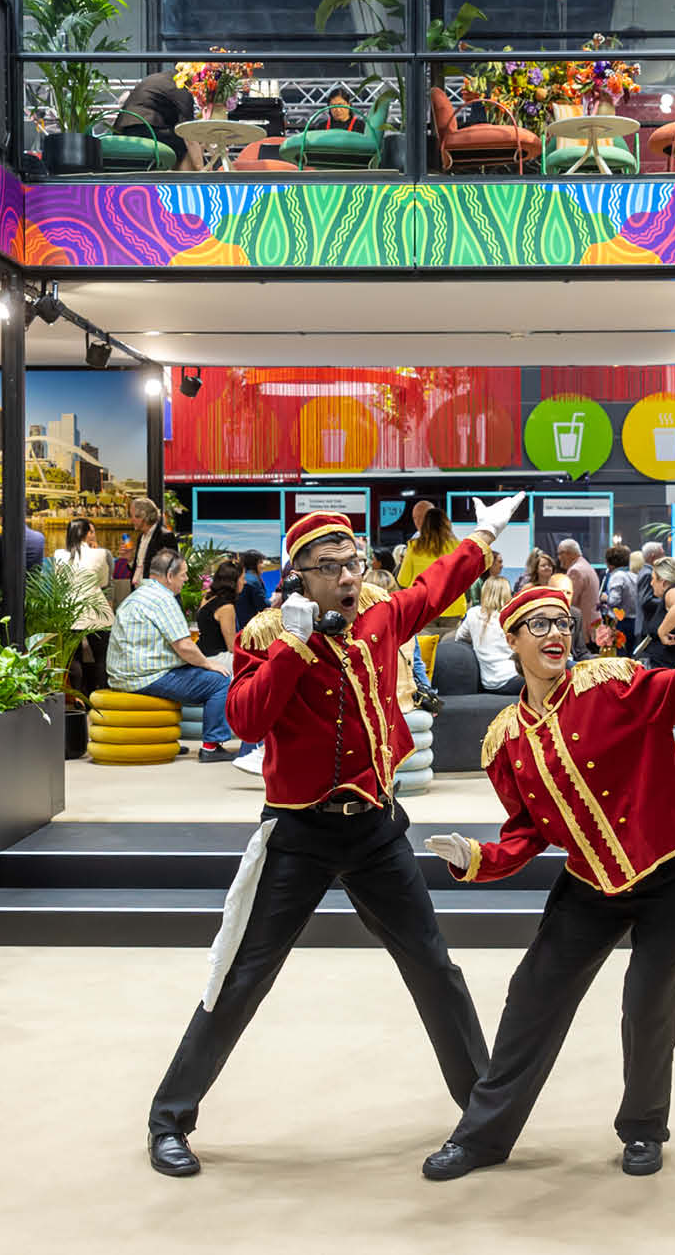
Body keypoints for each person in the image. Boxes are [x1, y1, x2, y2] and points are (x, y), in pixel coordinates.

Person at [145, 495, 526, 1180]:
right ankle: (168, 1119)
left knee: (435, 969)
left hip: (376, 829)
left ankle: (482, 1116)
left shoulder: (381, 615)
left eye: (352, 562)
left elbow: (435, 583)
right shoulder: (266, 636)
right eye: (331, 567)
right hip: (299, 833)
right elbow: (247, 720)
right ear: (302, 576)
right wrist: (293, 644)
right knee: (242, 977)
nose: (349, 576)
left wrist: (485, 532)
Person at [417, 582, 675, 1181]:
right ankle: (481, 1137)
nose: (556, 633)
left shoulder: (612, 685)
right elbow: (525, 835)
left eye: (563, 622)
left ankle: (642, 1129)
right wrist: (476, 857)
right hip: (590, 881)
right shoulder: (506, 739)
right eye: (537, 625)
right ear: (510, 641)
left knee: (648, 1003)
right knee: (532, 995)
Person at [109, 549, 240, 763]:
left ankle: (167, 741)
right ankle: (211, 746)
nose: (186, 579)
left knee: (197, 673)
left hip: (123, 675)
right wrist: (209, 664)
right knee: (221, 680)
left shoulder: (137, 596)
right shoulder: (164, 600)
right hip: (145, 677)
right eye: (183, 574)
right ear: (169, 576)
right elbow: (185, 646)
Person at [53, 517, 117, 690]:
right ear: (87, 533)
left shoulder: (59, 555)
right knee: (102, 659)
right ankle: (102, 700)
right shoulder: (103, 554)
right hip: (97, 611)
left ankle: (76, 702)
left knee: (73, 659)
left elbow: (59, 583)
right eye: (93, 531)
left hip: (69, 611)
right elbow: (104, 582)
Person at [397, 504, 466, 632]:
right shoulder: (459, 547)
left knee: (425, 649)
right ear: (447, 524)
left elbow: (403, 580)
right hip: (453, 608)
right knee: (448, 648)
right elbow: (466, 580)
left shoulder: (414, 547)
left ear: (425, 524)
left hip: (424, 610)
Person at [450, 575, 523, 694]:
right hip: (512, 678)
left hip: (489, 682)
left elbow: (459, 637)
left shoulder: (473, 614)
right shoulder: (510, 618)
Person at [115, 67, 194, 166]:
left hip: (121, 131)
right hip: (143, 130)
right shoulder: (180, 88)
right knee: (183, 143)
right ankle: (190, 178)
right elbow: (188, 132)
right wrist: (201, 167)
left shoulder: (161, 79)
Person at [126, 495, 180, 595]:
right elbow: (140, 566)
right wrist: (130, 559)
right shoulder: (141, 537)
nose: (131, 520)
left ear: (143, 517)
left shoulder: (165, 537)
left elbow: (172, 569)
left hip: (156, 595)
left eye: (133, 516)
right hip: (139, 593)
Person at [195, 557, 244, 658]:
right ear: (234, 581)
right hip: (218, 658)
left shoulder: (207, 597)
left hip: (200, 653)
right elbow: (231, 647)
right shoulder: (227, 608)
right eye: (243, 579)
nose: (245, 582)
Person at [557, 539, 600, 650]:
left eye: (560, 554)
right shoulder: (585, 565)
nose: (559, 558)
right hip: (593, 628)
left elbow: (568, 602)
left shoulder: (575, 571)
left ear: (569, 553)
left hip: (583, 630)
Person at [602, 543, 642, 642]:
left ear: (609, 563)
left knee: (619, 653)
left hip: (620, 623)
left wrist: (604, 598)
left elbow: (614, 601)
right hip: (634, 621)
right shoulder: (633, 575)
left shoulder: (617, 576)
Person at [234, 549, 270, 619]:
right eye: (260, 562)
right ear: (253, 564)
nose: (263, 565)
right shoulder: (253, 581)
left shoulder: (241, 576)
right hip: (250, 623)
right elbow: (264, 606)